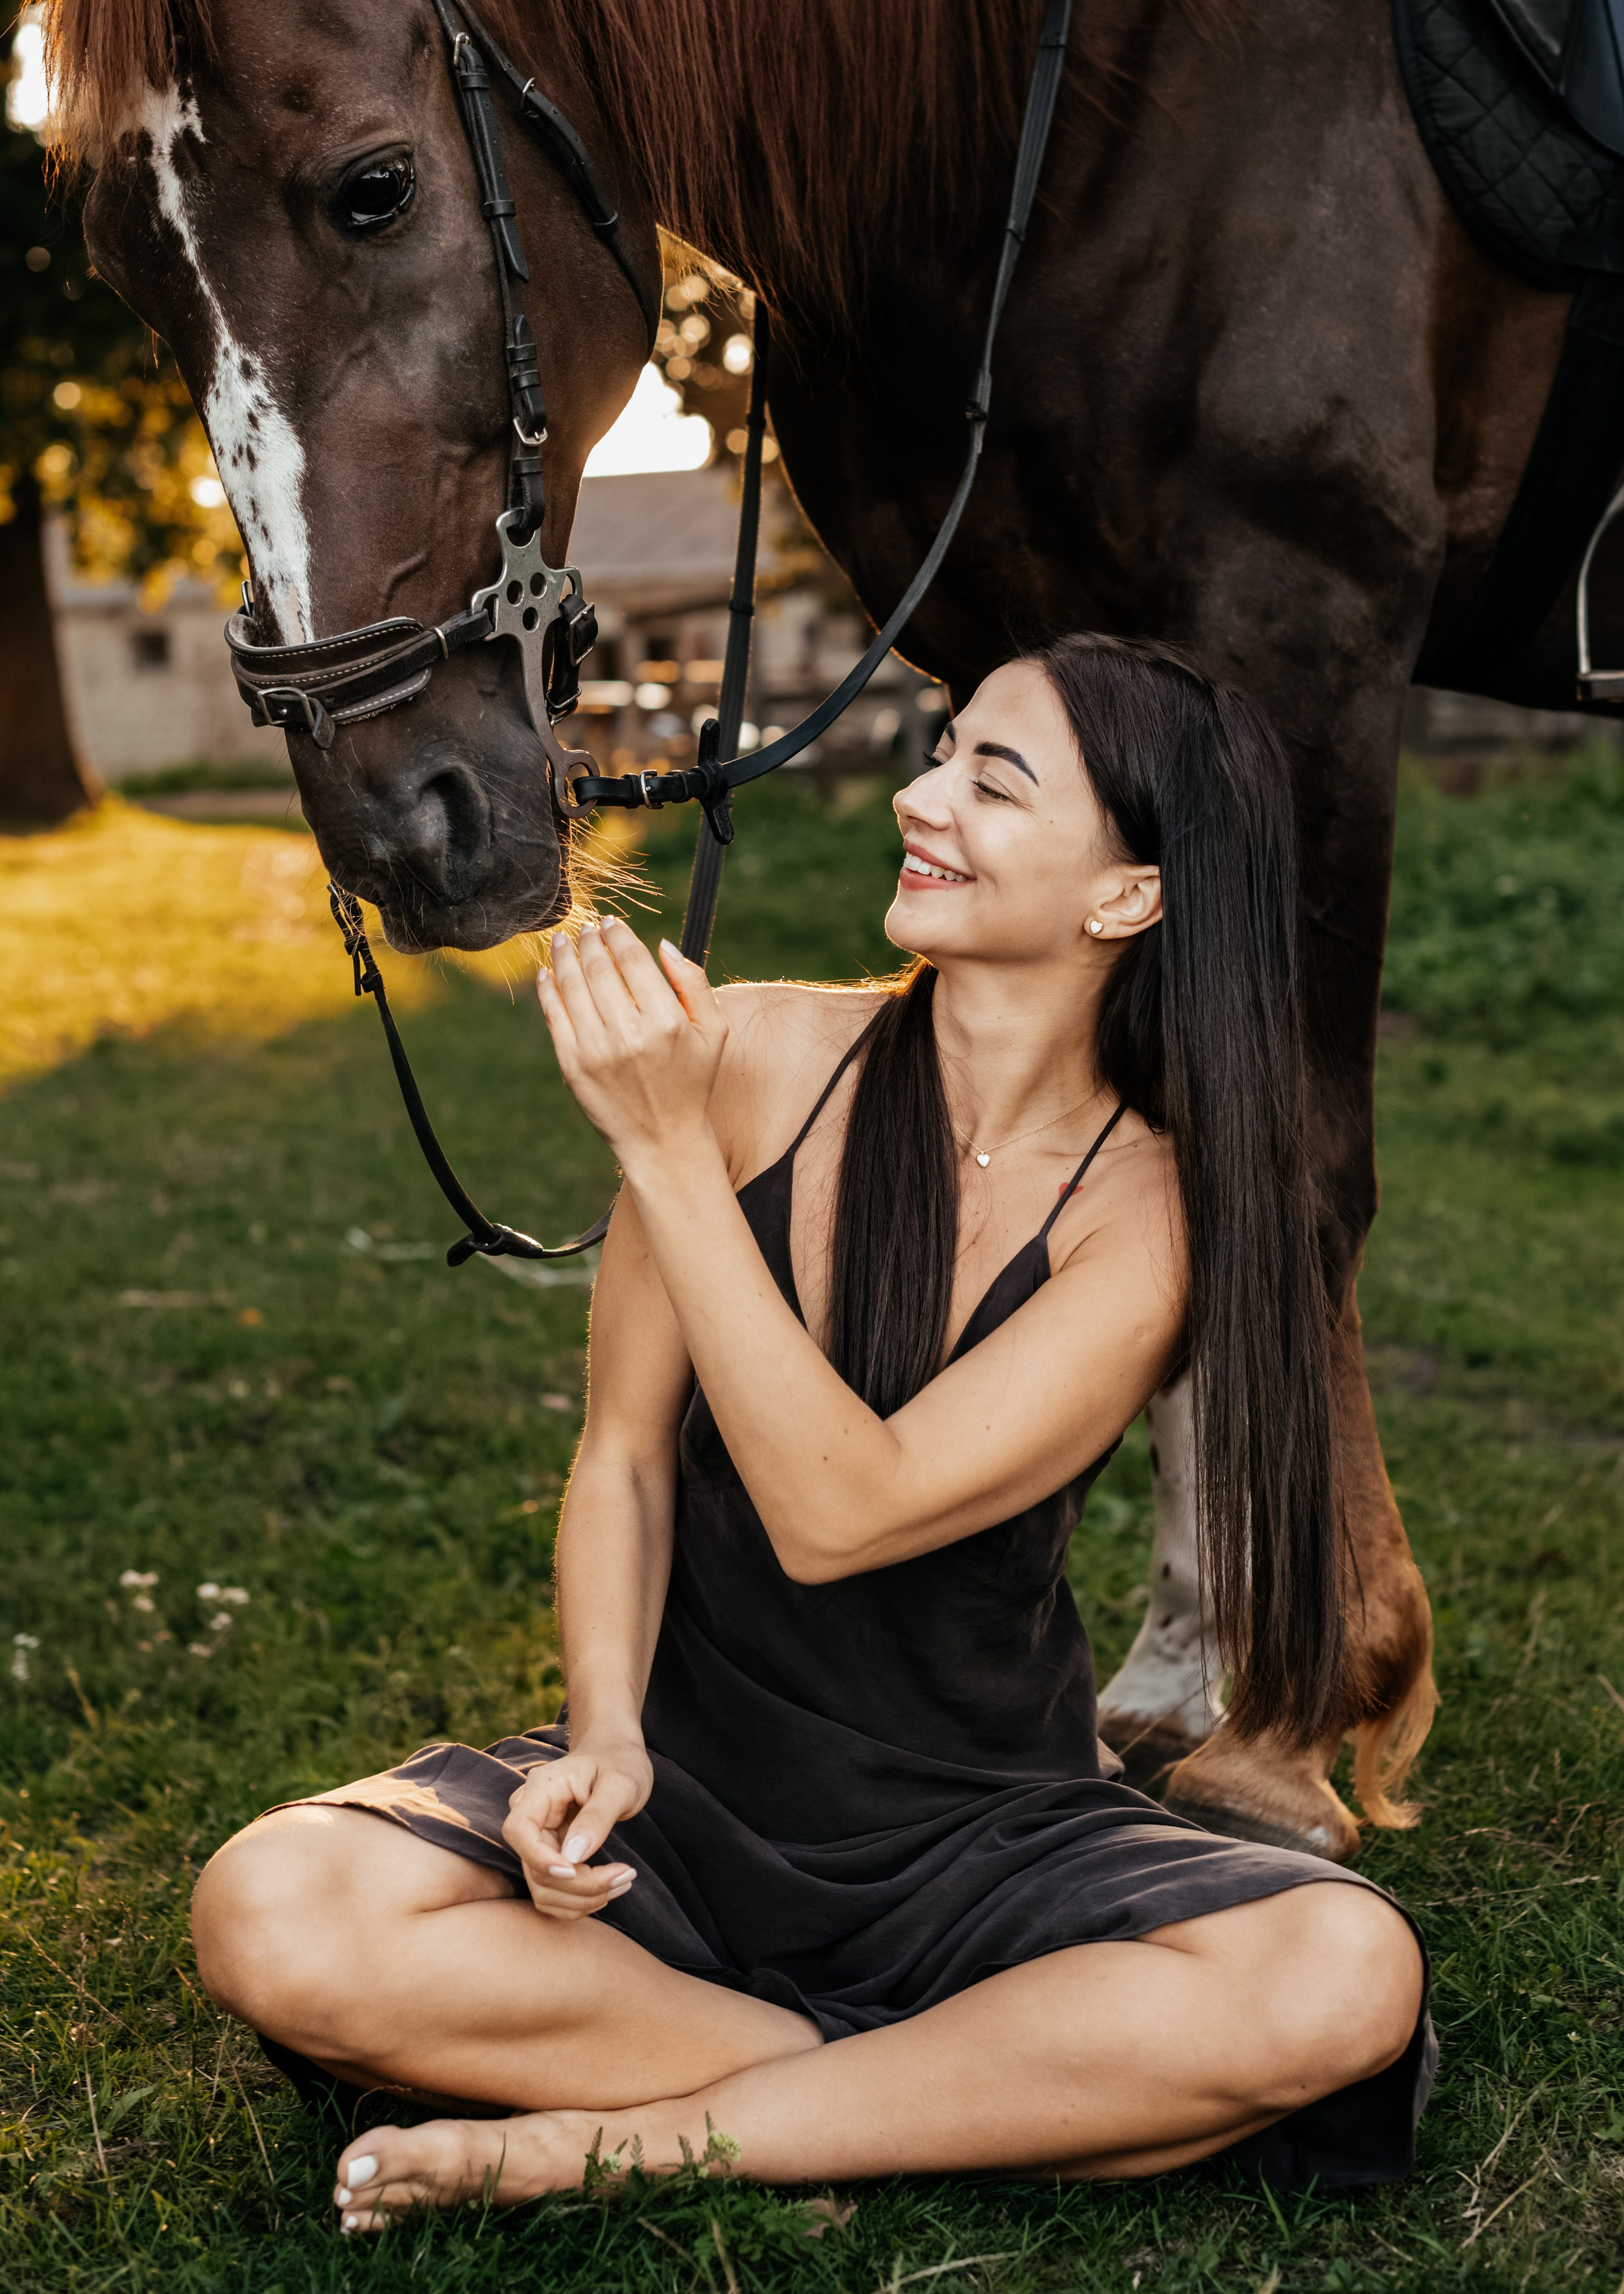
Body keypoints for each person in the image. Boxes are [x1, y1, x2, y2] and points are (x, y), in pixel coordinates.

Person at [191, 635, 1432, 2231]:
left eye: (994, 778)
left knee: (1341, 1970)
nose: (918, 797)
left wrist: (662, 1151)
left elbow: (845, 1512)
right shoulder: (753, 1055)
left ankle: (603, 2138)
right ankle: (896, 2094)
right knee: (273, 1909)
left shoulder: (1153, 1213)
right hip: (688, 1803)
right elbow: (624, 1460)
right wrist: (605, 1735)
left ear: (1125, 896)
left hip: (984, 1835)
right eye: (940, 751)